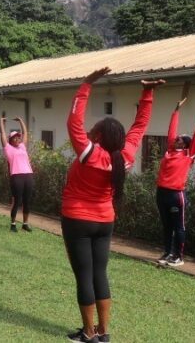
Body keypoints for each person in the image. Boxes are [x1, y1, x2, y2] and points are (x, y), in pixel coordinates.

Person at [61, 67, 164, 343]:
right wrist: (148, 93)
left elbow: (73, 120)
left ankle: (88, 333)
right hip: (105, 221)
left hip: (77, 220)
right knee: (99, 274)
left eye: (94, 129)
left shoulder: (90, 154)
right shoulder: (125, 156)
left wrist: (86, 84)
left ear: (98, 137)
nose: (89, 129)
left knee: (84, 276)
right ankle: (104, 333)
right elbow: (140, 126)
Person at [156, 95, 195, 267]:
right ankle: (167, 253)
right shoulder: (169, 151)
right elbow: (171, 131)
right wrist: (176, 110)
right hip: (161, 193)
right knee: (167, 226)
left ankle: (178, 257)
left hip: (176, 195)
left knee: (178, 227)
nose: (177, 139)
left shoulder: (189, 154)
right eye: (177, 138)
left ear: (186, 144)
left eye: (180, 139)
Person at [0, 116, 34, 232]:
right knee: (17, 201)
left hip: (28, 175)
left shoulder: (22, 147)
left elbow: (25, 133)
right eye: (15, 137)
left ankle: (25, 223)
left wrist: (21, 121)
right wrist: (1, 122)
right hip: (17, 176)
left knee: (27, 201)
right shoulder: (8, 148)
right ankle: (13, 224)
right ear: (10, 140)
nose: (17, 139)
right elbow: (2, 134)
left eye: (18, 137)